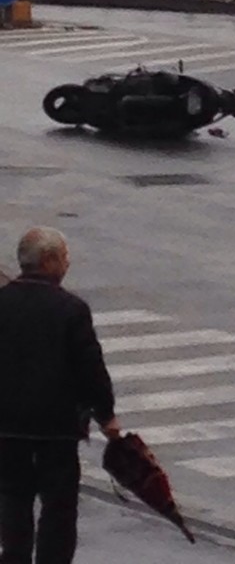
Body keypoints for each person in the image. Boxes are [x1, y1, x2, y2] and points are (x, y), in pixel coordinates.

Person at [0, 227, 120, 564]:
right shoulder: (71, 309)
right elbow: (90, 368)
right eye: (65, 257)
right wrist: (106, 415)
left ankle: (14, 557)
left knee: (13, 500)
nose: (68, 263)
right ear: (49, 260)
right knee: (59, 507)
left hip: (7, 427)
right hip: (56, 429)